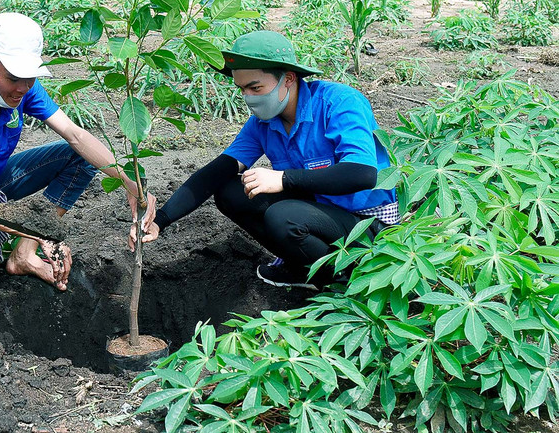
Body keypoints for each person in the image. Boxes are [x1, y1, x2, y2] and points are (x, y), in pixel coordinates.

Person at [131, 30, 399, 288]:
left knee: (284, 217)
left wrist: (284, 179)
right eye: (242, 89)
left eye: (255, 87)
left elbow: (362, 174)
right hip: (321, 212)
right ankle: (303, 266)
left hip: (367, 225)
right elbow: (216, 173)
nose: (248, 98)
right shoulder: (264, 123)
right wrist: (160, 220)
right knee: (231, 192)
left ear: (288, 79)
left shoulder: (338, 103)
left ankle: (341, 276)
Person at [0, 12, 156, 291]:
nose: (23, 88)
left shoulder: (22, 88)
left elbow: (75, 135)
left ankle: (23, 255)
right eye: (14, 78)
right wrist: (42, 232)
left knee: (80, 158)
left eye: (30, 78)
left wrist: (128, 182)